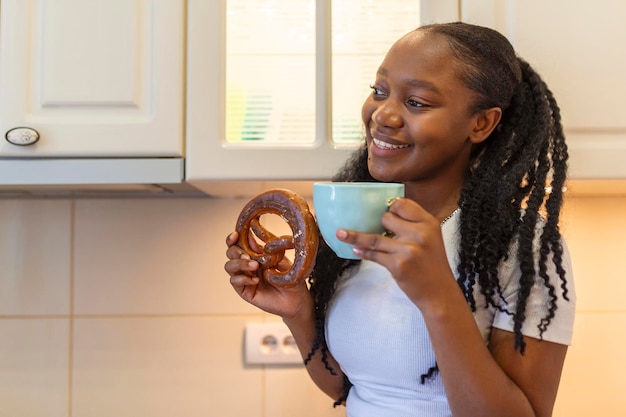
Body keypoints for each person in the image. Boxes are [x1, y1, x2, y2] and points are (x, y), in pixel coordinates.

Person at [225, 21, 575, 417]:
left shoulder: (521, 247)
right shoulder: (361, 229)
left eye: (417, 102)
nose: (383, 115)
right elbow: (352, 387)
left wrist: (437, 296)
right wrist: (298, 311)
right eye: (380, 91)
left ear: (481, 124)